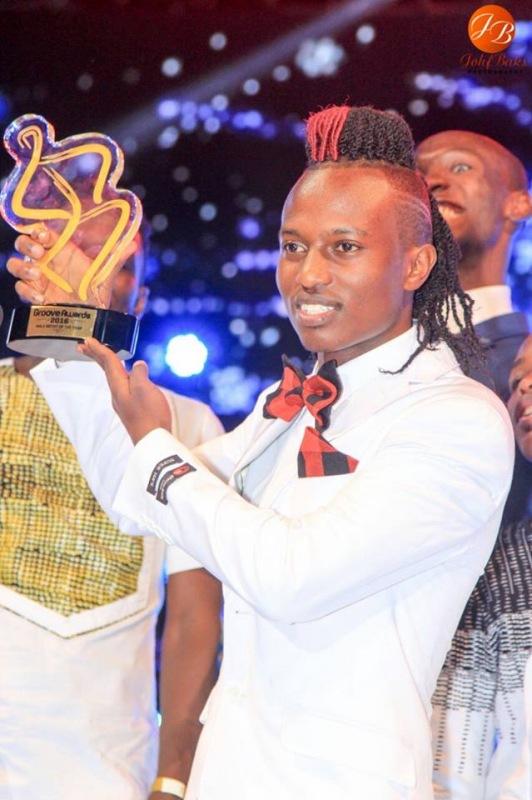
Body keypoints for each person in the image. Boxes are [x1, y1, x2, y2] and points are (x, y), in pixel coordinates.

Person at [8, 104, 514, 800]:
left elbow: (291, 576)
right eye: (293, 245)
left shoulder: (456, 418)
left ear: (416, 263)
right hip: (230, 777)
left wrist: (157, 444)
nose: (308, 274)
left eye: (343, 247)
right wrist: (70, 335)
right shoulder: (290, 404)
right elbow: (134, 498)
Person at [0, 232, 223, 800]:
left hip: (106, 771)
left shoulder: (183, 422)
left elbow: (194, 621)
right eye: (73, 249)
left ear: (139, 296)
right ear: (31, 269)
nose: (89, 272)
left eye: (113, 261)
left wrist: (173, 779)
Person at [416, 131, 532, 798]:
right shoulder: (352, 370)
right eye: (419, 171)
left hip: (490, 698)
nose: (432, 180)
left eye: (460, 167)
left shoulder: (524, 361)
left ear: (519, 204)